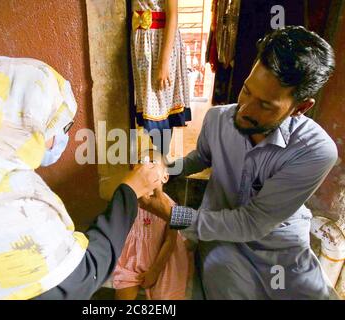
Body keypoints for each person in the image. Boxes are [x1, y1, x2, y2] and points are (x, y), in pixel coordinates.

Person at [0, 56, 162, 300]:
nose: (62, 139)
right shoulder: (14, 200)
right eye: (61, 127)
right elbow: (83, 274)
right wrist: (128, 192)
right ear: (33, 117)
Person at [140, 26, 340, 299]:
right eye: (246, 91)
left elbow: (253, 223)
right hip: (221, 234)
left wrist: (175, 214)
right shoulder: (218, 118)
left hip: (281, 242)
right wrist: (167, 167)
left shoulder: (315, 151)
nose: (244, 110)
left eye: (265, 105)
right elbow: (202, 157)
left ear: (300, 107)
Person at [113, 149, 194, 300]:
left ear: (165, 177)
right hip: (131, 258)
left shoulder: (170, 207)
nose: (145, 166)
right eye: (140, 161)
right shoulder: (128, 201)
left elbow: (170, 241)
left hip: (161, 260)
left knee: (169, 289)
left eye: (152, 162)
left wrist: (155, 271)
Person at [131, 0, 191, 156]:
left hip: (160, 45)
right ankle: (161, 156)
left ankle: (163, 157)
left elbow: (173, 16)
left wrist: (163, 64)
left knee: (161, 106)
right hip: (142, 45)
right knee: (149, 105)